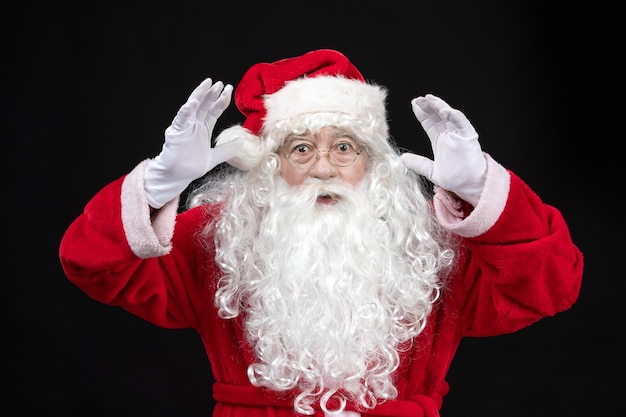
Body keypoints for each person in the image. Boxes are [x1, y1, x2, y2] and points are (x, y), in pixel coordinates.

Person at [59, 49, 583, 417]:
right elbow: (89, 263)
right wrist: (157, 184)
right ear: (270, 165)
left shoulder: (431, 248)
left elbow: (553, 286)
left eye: (345, 147)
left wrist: (486, 192)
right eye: (301, 148)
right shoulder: (218, 242)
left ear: (374, 162)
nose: (324, 168)